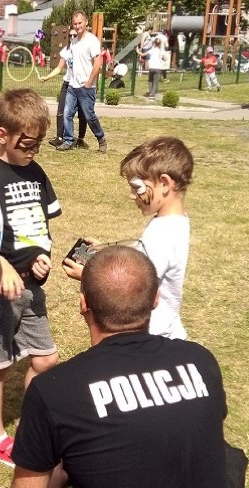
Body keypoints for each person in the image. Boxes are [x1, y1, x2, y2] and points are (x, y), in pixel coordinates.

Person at [0, 245, 239, 488]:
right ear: (155, 299)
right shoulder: (201, 361)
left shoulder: (55, 389)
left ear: (83, 306)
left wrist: (64, 470)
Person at [0, 89, 61, 467]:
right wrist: (0, 266)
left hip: (31, 287)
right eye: (26, 145)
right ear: (2, 135)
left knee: (46, 358)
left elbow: (40, 227)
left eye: (38, 145)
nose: (32, 153)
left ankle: (28, 426)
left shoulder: (36, 173)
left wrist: (44, 257)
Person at [63, 136, 193, 340]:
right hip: (164, 329)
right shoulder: (174, 222)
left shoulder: (162, 235)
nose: (132, 195)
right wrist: (106, 253)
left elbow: (134, 286)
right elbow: (142, 257)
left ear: (165, 183)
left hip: (152, 336)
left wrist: (89, 273)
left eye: (137, 187)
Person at [56, 11, 107, 153]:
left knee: (89, 116)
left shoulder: (92, 41)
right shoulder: (74, 43)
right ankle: (68, 140)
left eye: (80, 23)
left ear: (86, 23)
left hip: (86, 86)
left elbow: (98, 63)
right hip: (73, 86)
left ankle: (101, 139)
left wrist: (89, 83)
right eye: (75, 23)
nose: (77, 26)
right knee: (67, 113)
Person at [39, 32, 89, 149]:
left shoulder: (85, 48)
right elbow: (58, 68)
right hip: (68, 84)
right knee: (62, 111)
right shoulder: (66, 50)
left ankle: (80, 139)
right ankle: (60, 138)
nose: (72, 37)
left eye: (74, 35)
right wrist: (46, 78)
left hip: (81, 85)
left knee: (83, 114)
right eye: (70, 35)